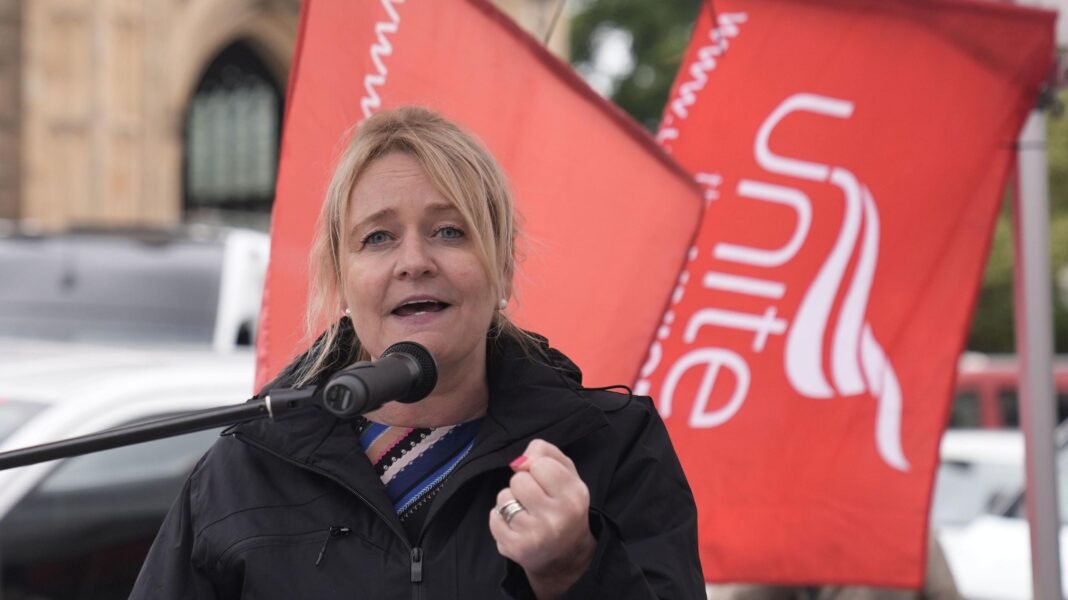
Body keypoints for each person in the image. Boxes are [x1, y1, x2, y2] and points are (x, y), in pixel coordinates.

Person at [130, 106, 705, 599]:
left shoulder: (612, 448)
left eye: (449, 231)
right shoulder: (242, 470)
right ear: (342, 280)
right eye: (378, 237)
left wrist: (574, 568)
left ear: (504, 266)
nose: (413, 262)